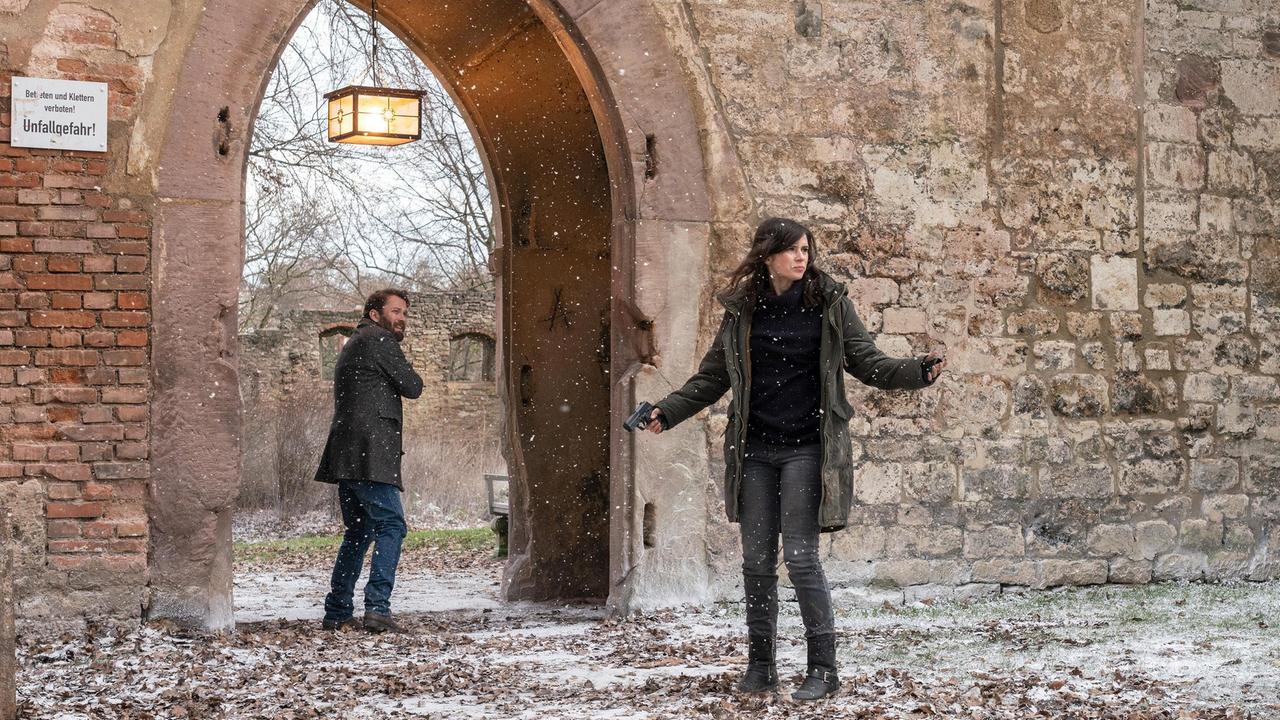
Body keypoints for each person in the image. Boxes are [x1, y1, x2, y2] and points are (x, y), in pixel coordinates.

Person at [645, 218, 945, 700]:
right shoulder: (743, 309)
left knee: (803, 560)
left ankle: (823, 671)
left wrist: (915, 371)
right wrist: (667, 410)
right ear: (768, 256)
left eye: (806, 249)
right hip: (755, 452)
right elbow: (712, 377)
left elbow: (868, 362)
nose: (801, 258)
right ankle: (761, 668)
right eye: (791, 250)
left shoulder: (829, 303)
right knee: (756, 561)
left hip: (808, 448)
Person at [315, 288, 424, 633]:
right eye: (396, 311)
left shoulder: (355, 342)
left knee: (359, 531)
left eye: (405, 313)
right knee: (392, 526)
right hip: (369, 453)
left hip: (349, 454)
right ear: (375, 314)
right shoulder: (378, 340)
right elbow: (412, 385)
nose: (402, 319)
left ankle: (337, 610)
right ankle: (377, 607)